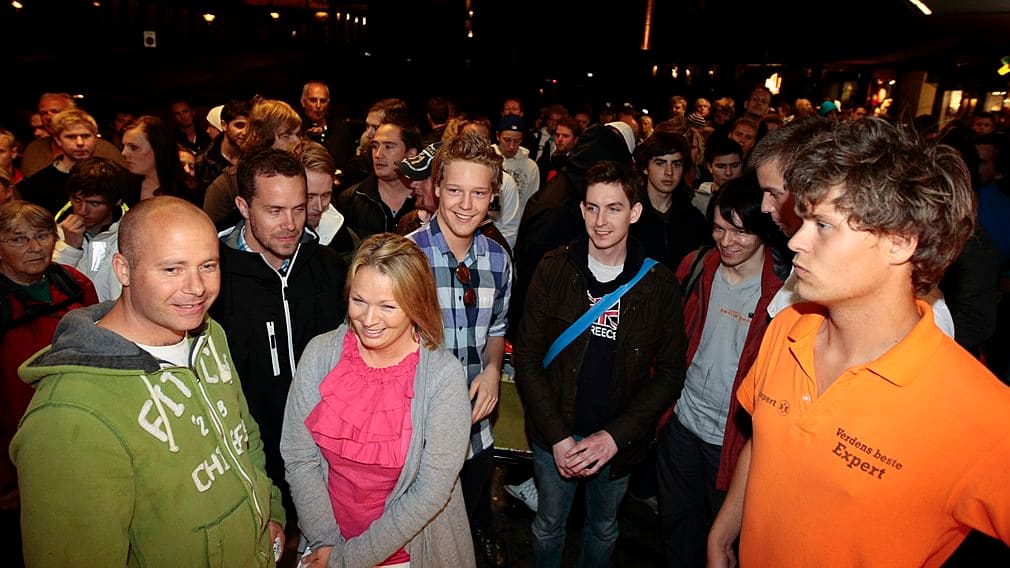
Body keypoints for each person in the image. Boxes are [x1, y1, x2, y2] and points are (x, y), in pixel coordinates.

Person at [707, 117, 1010, 567]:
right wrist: (722, 534)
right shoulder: (788, 329)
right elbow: (766, 437)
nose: (796, 240)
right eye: (803, 219)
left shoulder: (980, 412)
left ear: (900, 242)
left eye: (824, 226)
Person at [11, 196, 286, 566]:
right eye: (172, 269)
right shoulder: (67, 417)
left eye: (208, 265)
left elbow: (243, 434)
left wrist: (268, 513)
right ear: (123, 270)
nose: (197, 287)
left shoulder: (209, 335)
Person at [514, 161, 687, 567]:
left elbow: (670, 373)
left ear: (635, 212)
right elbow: (527, 356)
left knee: (604, 527)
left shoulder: (658, 285)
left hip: (618, 443)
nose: (601, 221)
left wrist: (614, 438)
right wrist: (557, 437)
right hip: (554, 434)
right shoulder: (554, 268)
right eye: (592, 208)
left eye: (613, 208)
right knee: (548, 525)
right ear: (581, 210)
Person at [281, 233, 474, 567]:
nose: (369, 320)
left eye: (387, 306)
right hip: (326, 543)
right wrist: (327, 543)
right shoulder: (320, 354)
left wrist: (346, 560)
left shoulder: (443, 376)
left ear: (415, 305)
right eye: (359, 301)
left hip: (408, 553)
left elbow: (430, 491)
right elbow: (299, 457)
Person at [655, 176, 784, 567]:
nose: (727, 241)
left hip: (734, 442)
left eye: (740, 232)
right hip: (681, 425)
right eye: (719, 228)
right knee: (678, 529)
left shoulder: (782, 293)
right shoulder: (697, 267)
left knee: (725, 541)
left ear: (763, 231)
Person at [213, 147, 347, 516]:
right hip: (251, 464)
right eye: (274, 210)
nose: (290, 224)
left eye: (298, 209)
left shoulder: (329, 268)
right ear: (243, 207)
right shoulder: (213, 280)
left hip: (326, 459)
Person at [406, 132, 513, 566]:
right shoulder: (406, 257)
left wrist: (492, 370)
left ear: (493, 196)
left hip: (476, 434)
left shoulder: (498, 260)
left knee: (463, 536)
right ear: (436, 189)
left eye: (479, 193)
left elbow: (497, 329)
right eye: (455, 191)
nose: (466, 205)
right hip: (419, 436)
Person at [1, 200, 99, 561]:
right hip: (18, 449)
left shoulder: (75, 283)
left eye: (42, 236)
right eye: (18, 239)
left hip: (81, 437)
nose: (34, 247)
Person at [53, 157, 130, 301]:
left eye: (94, 203)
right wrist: (69, 248)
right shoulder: (54, 233)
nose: (82, 210)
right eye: (76, 200)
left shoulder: (131, 236)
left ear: (117, 202)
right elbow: (52, 291)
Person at [122, 115, 186, 203]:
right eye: (124, 146)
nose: (124, 153)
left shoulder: (185, 190)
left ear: (158, 148)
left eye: (133, 147)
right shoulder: (125, 186)